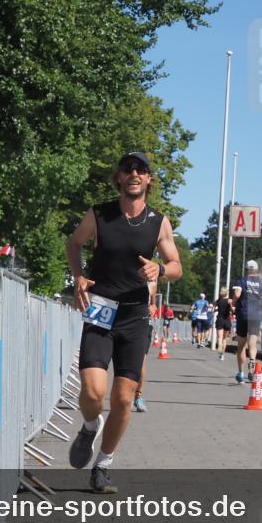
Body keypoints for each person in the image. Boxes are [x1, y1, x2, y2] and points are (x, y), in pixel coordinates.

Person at [66, 152, 181, 493]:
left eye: (141, 170)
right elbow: (75, 243)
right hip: (101, 308)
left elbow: (176, 264)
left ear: (148, 180)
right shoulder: (99, 214)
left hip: (134, 315)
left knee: (124, 398)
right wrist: (79, 276)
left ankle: (103, 465)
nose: (134, 174)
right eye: (128, 169)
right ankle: (89, 426)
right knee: (92, 391)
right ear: (118, 178)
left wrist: (159, 269)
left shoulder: (158, 222)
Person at [231, 260, 262, 384]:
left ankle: (240, 373)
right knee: (252, 343)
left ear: (246, 269)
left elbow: (237, 295)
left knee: (241, 346)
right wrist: (260, 300)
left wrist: (233, 303)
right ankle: (252, 359)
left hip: (243, 314)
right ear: (256, 270)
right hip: (256, 315)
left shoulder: (241, 280)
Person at [133, 279, 157, 414]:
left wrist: (153, 304)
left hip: (141, 324)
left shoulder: (146, 268)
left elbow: (153, 282)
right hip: (119, 321)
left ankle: (138, 396)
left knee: (140, 363)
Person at [214, 287, 233, 361]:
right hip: (227, 320)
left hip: (220, 319)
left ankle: (219, 348)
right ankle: (222, 355)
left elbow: (214, 308)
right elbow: (231, 310)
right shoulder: (229, 300)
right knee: (224, 338)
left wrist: (216, 309)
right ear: (227, 293)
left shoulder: (218, 301)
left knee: (220, 337)